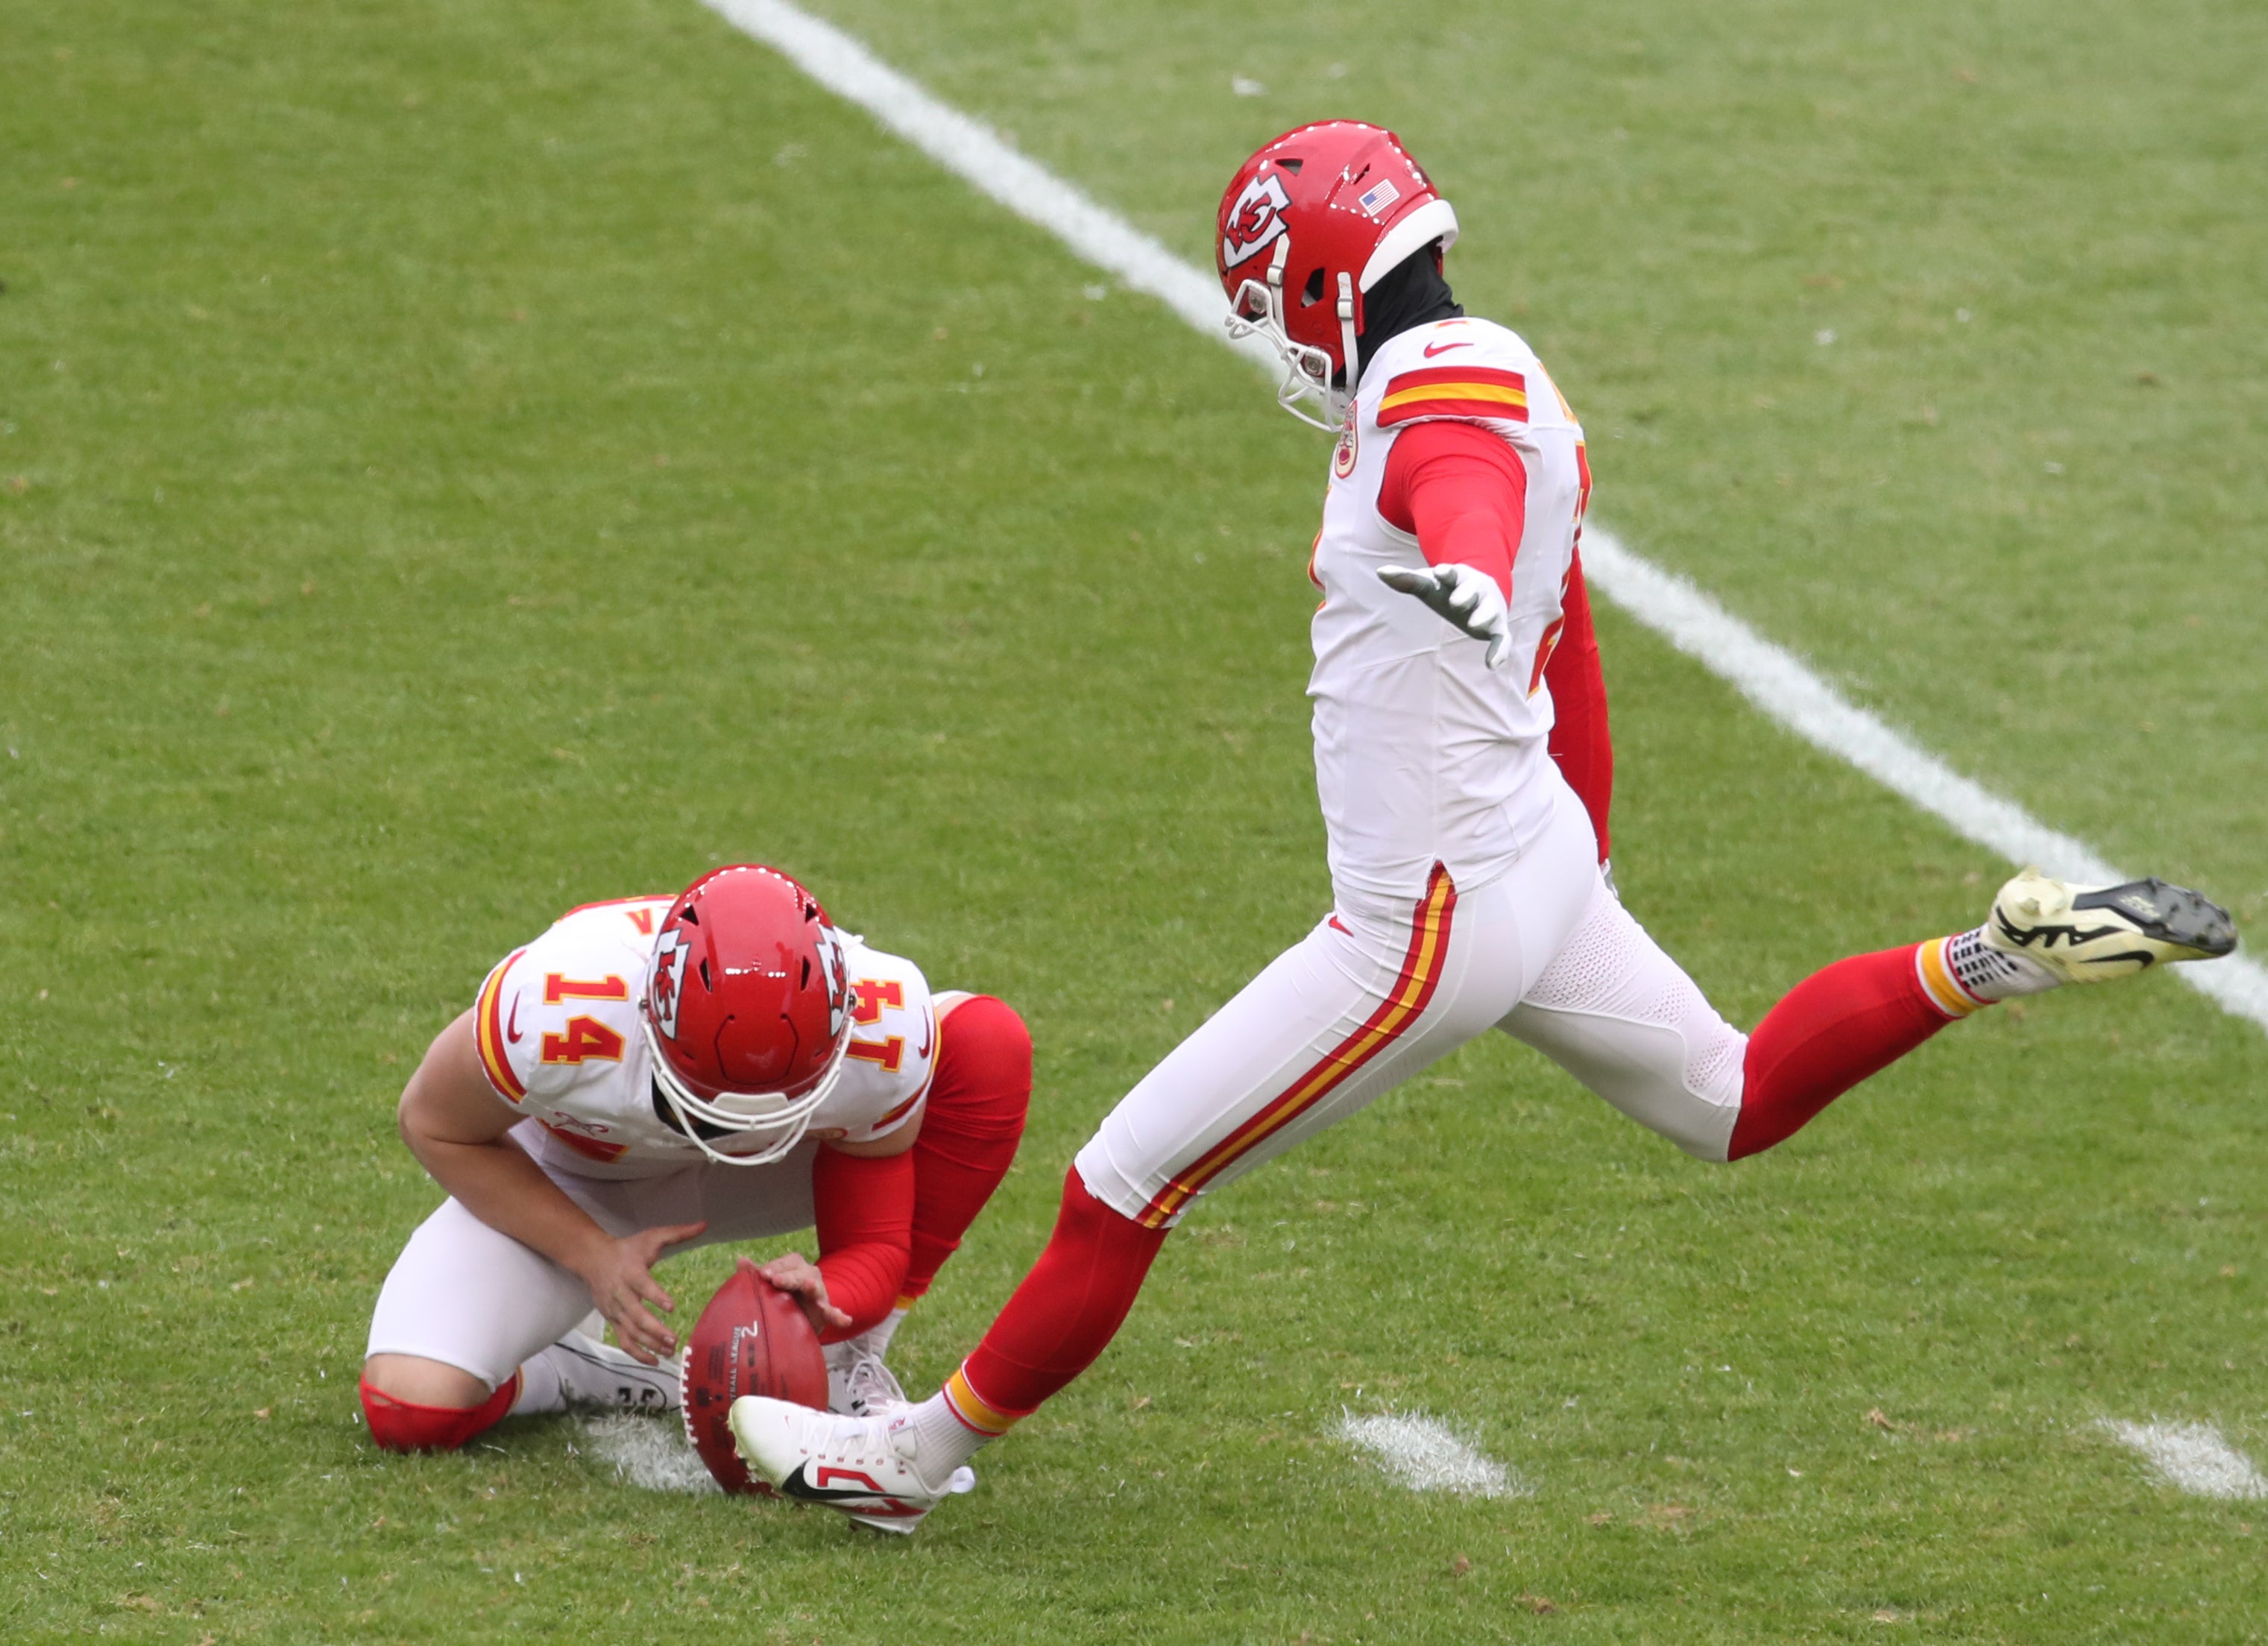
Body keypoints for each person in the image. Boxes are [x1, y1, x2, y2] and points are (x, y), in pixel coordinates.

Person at [725, 122, 2237, 1533]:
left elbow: (1455, 486)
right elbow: (1566, 638)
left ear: (1320, 283)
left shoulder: (1432, 387)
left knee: (1121, 1184)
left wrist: (1458, 566)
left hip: (1426, 915)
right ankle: (2001, 954)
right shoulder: (1507, 375)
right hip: (1528, 852)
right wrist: (1584, 853)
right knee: (1731, 1099)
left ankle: (909, 1465)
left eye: (1274, 304)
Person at [359, 863, 1031, 1453]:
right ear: (650, 1016)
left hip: (781, 1172)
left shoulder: (883, 1022)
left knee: (982, 1045)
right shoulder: (555, 1006)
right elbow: (433, 1124)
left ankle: (842, 1367)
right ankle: (575, 1369)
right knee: (412, 1405)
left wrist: (833, 1297)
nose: (744, 1120)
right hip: (581, 1175)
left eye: (778, 1095)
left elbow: (877, 1244)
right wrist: (591, 1254)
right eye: (715, 1100)